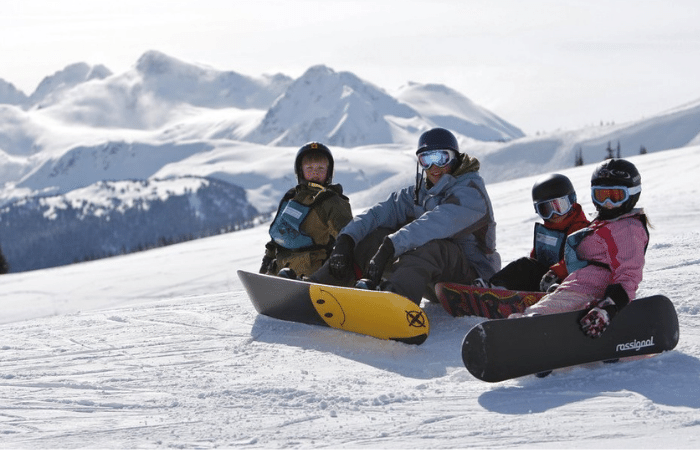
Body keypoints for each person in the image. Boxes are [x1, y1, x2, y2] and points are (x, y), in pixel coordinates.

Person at [309, 127, 501, 305]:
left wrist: (391, 245)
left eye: (441, 158)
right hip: (431, 279)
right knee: (374, 235)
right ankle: (319, 287)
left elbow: (435, 223)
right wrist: (346, 239)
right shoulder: (419, 193)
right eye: (426, 160)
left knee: (433, 247)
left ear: (454, 158)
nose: (434, 167)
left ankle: (394, 302)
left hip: (473, 281)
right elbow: (378, 214)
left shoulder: (471, 193)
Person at [512, 158, 649, 340]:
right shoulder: (605, 224)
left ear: (632, 195)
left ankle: (525, 333)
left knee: (541, 312)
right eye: (601, 196)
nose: (607, 202)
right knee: (550, 303)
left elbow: (629, 273)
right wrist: (559, 273)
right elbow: (582, 258)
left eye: (616, 196)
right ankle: (549, 329)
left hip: (590, 289)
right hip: (580, 285)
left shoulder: (628, 228)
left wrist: (609, 307)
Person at [476, 173, 590, 292]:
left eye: (560, 206)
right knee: (523, 265)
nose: (554, 214)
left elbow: (577, 260)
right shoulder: (547, 230)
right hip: (545, 279)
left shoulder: (581, 229)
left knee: (527, 266)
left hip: (567, 281)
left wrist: (556, 273)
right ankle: (495, 288)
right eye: (546, 210)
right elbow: (537, 257)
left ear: (572, 201)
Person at [259, 142, 353, 279]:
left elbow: (347, 235)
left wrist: (341, 259)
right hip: (279, 269)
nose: (315, 172)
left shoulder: (332, 201)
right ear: (300, 170)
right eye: (309, 168)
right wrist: (267, 260)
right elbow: (279, 234)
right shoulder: (291, 197)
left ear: (329, 172)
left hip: (312, 272)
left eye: (321, 168)